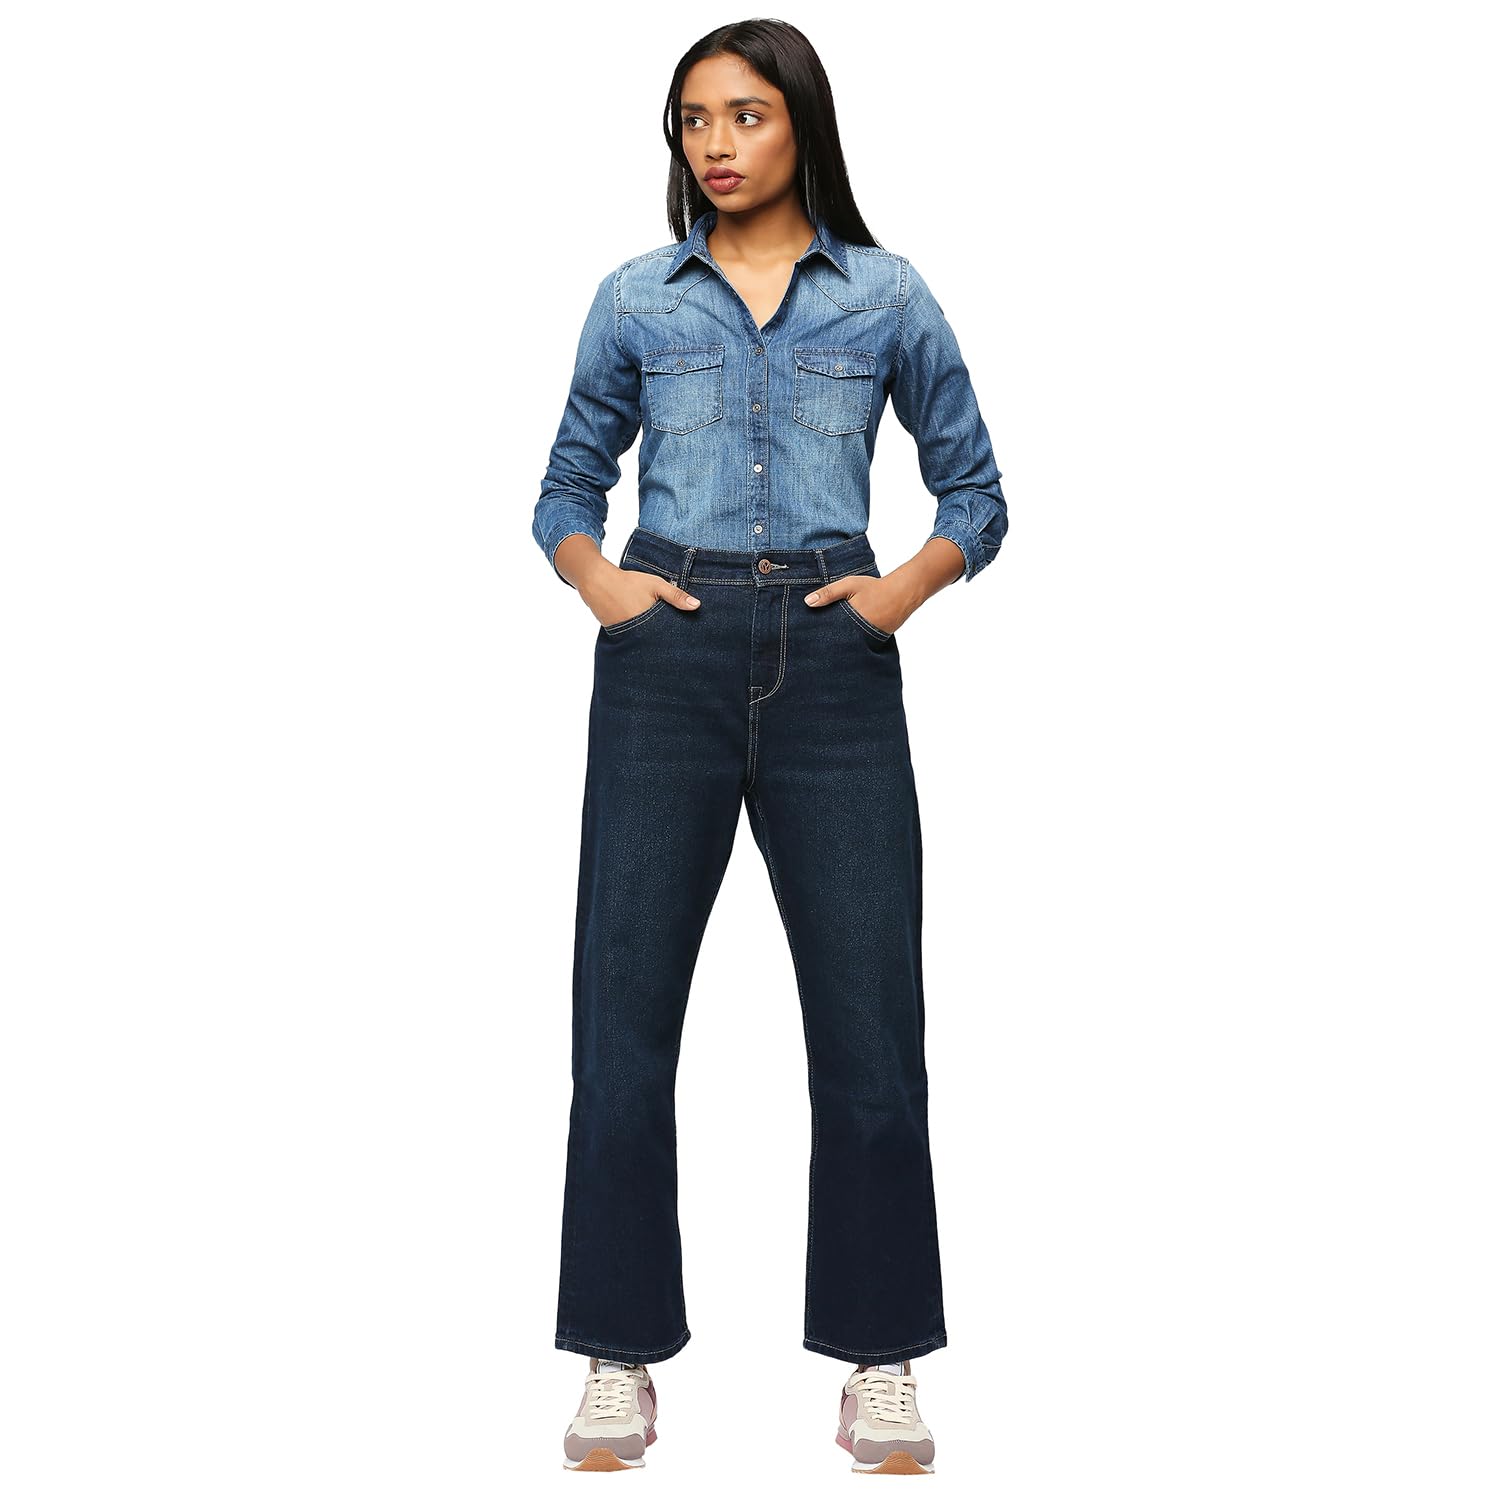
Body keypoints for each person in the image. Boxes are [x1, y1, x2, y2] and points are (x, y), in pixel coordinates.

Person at [532, 19, 1009, 1476]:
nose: (717, 144)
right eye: (694, 119)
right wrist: (605, 585)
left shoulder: (886, 293)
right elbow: (563, 485)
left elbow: (977, 494)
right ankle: (617, 1354)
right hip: (664, 657)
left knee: (871, 1030)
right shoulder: (635, 296)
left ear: (803, 122)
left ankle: (881, 1361)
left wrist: (895, 596)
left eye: (745, 114)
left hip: (833, 669)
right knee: (622, 1024)